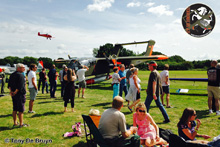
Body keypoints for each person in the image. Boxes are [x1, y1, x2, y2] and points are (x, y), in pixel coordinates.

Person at [8, 63, 28, 127]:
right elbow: (20, 86)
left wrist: (11, 92)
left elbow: (9, 85)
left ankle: (15, 123)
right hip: (19, 94)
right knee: (21, 109)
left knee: (15, 109)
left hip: (14, 95)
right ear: (18, 68)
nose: (24, 68)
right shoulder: (21, 75)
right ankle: (21, 124)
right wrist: (15, 92)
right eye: (23, 67)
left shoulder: (12, 75)